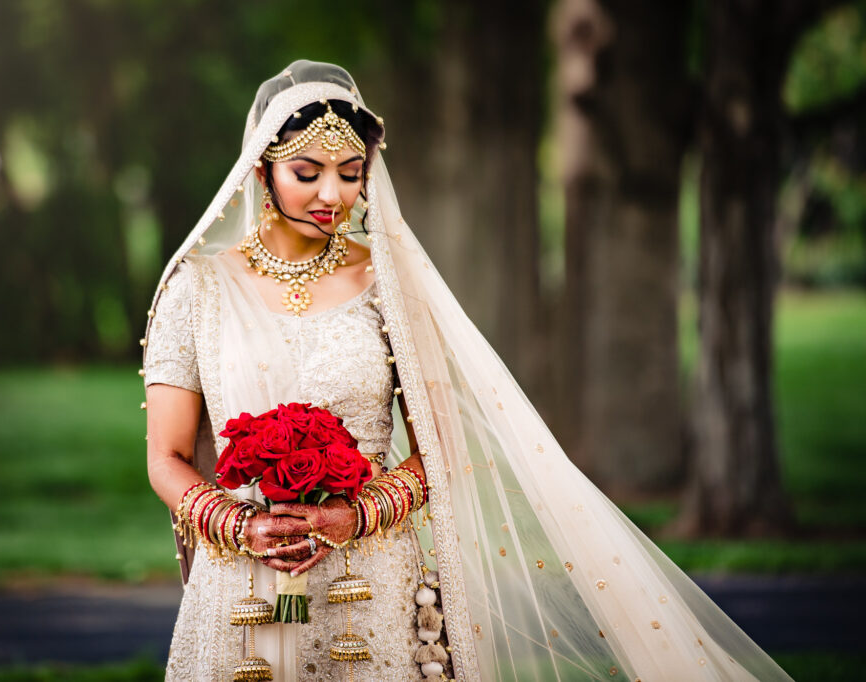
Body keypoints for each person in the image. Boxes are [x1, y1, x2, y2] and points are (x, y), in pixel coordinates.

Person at [142, 61, 792, 681]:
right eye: (307, 172)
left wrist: (356, 515)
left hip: (367, 582)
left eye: (350, 172)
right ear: (261, 169)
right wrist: (244, 524)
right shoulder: (196, 290)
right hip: (242, 585)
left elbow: (440, 447)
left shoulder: (387, 284)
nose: (332, 194)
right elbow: (167, 455)